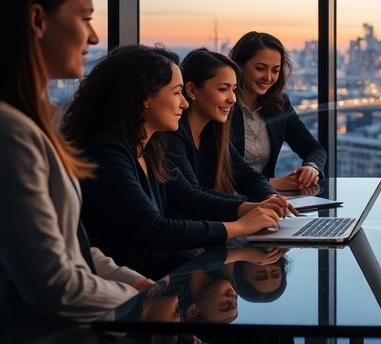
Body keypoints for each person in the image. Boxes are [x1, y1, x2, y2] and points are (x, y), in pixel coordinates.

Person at [0, 0, 149, 338]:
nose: (94, 36)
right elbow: (53, 286)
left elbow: (74, 249)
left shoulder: (27, 125)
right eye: (85, 18)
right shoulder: (3, 132)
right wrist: (138, 301)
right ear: (37, 19)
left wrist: (139, 286)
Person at [63, 45, 287, 278]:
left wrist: (250, 209)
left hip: (153, 277)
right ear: (145, 97)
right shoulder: (107, 154)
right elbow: (154, 231)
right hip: (125, 289)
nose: (185, 103)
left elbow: (190, 198)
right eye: (177, 92)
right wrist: (239, 227)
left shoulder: (151, 148)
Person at [169, 48, 282, 202]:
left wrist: (271, 196)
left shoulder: (213, 132)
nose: (232, 99)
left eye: (233, 89)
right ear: (192, 90)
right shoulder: (173, 135)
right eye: (223, 89)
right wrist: (249, 207)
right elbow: (193, 195)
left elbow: (246, 176)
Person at [229, 31, 326, 191]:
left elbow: (314, 149)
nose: (268, 77)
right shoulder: (222, 107)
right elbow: (219, 173)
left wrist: (311, 168)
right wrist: (273, 184)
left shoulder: (280, 105)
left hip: (268, 201)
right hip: (229, 203)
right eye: (260, 68)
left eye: (275, 70)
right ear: (239, 66)